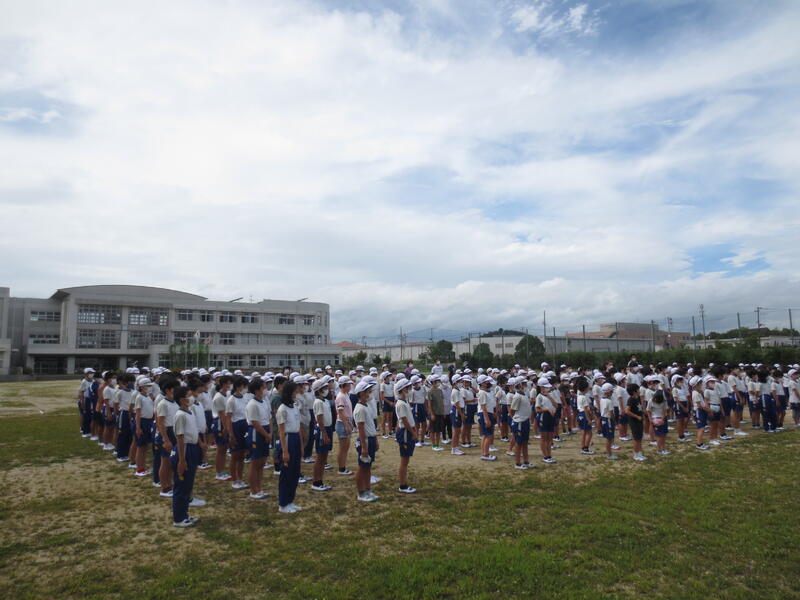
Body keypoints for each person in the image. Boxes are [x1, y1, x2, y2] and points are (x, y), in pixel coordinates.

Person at [171, 386, 202, 527]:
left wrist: (200, 443)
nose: (192, 397)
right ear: (182, 399)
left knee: (188, 484)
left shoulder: (189, 412)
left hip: (192, 448)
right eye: (189, 395)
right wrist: (182, 460)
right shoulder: (180, 415)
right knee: (181, 484)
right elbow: (180, 437)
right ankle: (179, 518)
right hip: (184, 450)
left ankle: (185, 514)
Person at [276, 380, 303, 513]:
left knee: (295, 472)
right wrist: (285, 451)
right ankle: (283, 503)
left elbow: (298, 427)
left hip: (296, 438)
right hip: (288, 439)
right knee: (286, 473)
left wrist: (301, 445)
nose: (297, 392)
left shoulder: (295, 406)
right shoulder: (282, 409)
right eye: (294, 390)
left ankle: (290, 501)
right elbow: (281, 431)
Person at [245, 378, 272, 500]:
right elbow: (255, 423)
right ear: (256, 390)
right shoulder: (252, 404)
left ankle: (259, 488)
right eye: (263, 387)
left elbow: (269, 418)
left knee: (262, 462)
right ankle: (253, 490)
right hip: (257, 433)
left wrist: (270, 433)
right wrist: (266, 435)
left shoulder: (264, 401)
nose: (265, 389)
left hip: (265, 431)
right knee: (255, 462)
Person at [353, 380, 379, 502]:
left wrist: (376, 439)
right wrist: (364, 447)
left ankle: (368, 489)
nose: (370, 394)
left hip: (371, 439)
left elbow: (371, 426)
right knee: (362, 467)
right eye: (368, 391)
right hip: (365, 441)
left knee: (368, 467)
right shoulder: (360, 409)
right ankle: (361, 492)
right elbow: (361, 429)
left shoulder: (366, 406)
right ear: (361, 393)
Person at [155, 377, 180, 497]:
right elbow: (160, 423)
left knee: (171, 461)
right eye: (175, 388)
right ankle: (164, 487)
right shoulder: (163, 403)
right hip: (167, 432)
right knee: (165, 461)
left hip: (174, 431)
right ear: (168, 390)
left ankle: (170, 483)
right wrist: (166, 439)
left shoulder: (175, 402)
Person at [225, 376, 250, 490]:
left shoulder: (244, 398)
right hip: (236, 427)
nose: (246, 388)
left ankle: (240, 478)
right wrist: (231, 434)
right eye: (244, 386)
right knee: (235, 455)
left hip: (244, 426)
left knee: (242, 455)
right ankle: (234, 480)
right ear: (239, 387)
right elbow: (228, 418)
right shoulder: (231, 400)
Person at [311, 377, 335, 492]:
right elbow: (319, 419)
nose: (326, 389)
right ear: (318, 390)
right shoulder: (318, 402)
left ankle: (320, 480)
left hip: (327, 428)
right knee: (320, 457)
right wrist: (324, 433)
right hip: (323, 430)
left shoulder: (325, 401)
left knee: (324, 456)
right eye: (324, 388)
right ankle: (316, 481)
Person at [393, 378, 417, 493]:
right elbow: (404, 420)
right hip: (406, 432)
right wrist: (413, 433)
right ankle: (403, 485)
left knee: (406, 460)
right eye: (407, 387)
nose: (409, 389)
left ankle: (404, 483)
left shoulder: (404, 401)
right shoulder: (401, 404)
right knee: (404, 460)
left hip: (407, 431)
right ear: (402, 389)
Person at [211, 375, 232, 481]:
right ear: (223, 384)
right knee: (221, 448)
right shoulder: (218, 397)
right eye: (228, 383)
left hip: (225, 422)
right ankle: (219, 472)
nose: (230, 385)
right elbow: (222, 414)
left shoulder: (227, 394)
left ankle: (222, 470)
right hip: (220, 423)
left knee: (224, 448)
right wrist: (226, 428)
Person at [509, 377, 532, 469]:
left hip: (525, 421)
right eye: (524, 383)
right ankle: (517, 463)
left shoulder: (524, 394)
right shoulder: (517, 396)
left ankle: (526, 461)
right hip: (519, 422)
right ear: (519, 385)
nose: (526, 385)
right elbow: (512, 410)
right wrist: (514, 419)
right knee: (519, 443)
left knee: (525, 442)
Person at [133, 377, 154, 477]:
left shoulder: (148, 397)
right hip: (142, 422)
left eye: (150, 386)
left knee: (145, 446)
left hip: (149, 422)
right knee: (141, 447)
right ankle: (139, 469)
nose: (149, 387)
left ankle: (143, 467)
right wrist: (138, 427)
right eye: (147, 386)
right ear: (141, 387)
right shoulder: (139, 397)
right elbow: (137, 413)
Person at [334, 375, 354, 476]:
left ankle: (343, 466)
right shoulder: (341, 396)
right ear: (343, 385)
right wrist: (346, 425)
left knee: (346, 447)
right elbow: (340, 412)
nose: (350, 387)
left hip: (346, 422)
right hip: (342, 423)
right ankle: (341, 468)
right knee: (343, 447)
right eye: (348, 385)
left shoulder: (345, 394)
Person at [535, 377, 557, 464]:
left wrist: (549, 396)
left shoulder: (549, 395)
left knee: (549, 438)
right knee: (544, 438)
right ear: (541, 387)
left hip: (550, 417)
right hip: (543, 417)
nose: (548, 388)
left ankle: (549, 455)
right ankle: (545, 456)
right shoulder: (539, 397)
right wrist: (547, 409)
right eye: (545, 387)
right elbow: (537, 409)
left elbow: (556, 405)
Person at [477, 375, 497, 461]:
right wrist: (487, 419)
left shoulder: (487, 392)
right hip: (485, 414)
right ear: (482, 383)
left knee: (485, 435)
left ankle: (484, 453)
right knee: (488, 435)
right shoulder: (482, 393)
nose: (488, 383)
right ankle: (486, 454)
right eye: (486, 382)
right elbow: (483, 407)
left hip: (488, 413)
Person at [625, 383, 647, 461]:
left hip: (639, 420)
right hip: (634, 421)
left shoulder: (637, 398)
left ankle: (640, 453)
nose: (639, 391)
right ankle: (636, 454)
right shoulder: (631, 399)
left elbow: (640, 408)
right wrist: (637, 416)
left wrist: (643, 414)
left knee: (639, 438)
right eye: (638, 389)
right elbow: (627, 411)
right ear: (634, 391)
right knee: (636, 438)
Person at [646, 389, 670, 456]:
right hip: (656, 419)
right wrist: (650, 419)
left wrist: (662, 419)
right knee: (659, 435)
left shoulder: (664, 401)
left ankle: (663, 448)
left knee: (663, 435)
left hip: (662, 419)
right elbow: (648, 410)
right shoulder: (651, 401)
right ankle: (660, 449)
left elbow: (665, 410)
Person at [426, 375, 446, 451]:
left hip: (440, 413)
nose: (438, 382)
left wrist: (443, 412)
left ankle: (437, 444)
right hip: (434, 413)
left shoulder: (440, 390)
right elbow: (429, 404)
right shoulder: (430, 391)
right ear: (433, 382)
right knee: (432, 430)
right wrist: (432, 414)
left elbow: (442, 402)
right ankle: (434, 445)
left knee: (438, 430)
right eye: (437, 381)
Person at [690, 376, 710, 450]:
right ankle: (699, 444)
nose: (701, 385)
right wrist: (708, 410)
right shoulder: (695, 393)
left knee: (702, 428)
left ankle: (701, 443)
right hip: (699, 411)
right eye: (700, 384)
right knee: (701, 428)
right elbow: (699, 405)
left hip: (701, 411)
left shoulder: (698, 392)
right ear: (696, 385)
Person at [599, 382, 618, 459]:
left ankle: (609, 452)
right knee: (609, 438)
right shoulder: (609, 401)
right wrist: (614, 421)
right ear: (608, 392)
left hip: (603, 419)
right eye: (611, 391)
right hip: (608, 420)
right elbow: (611, 413)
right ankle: (609, 454)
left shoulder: (601, 399)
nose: (612, 392)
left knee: (608, 437)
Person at [576, 377, 594, 455]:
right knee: (589, 433)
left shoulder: (579, 396)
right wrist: (589, 419)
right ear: (586, 389)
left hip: (580, 414)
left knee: (583, 432)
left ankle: (583, 447)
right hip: (584, 414)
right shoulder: (584, 397)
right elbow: (586, 409)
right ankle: (586, 449)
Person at [450, 375, 466, 456]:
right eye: (459, 381)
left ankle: (456, 447)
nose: (461, 382)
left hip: (458, 411)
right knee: (456, 431)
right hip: (456, 411)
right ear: (455, 382)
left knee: (458, 431)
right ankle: (454, 448)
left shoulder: (457, 390)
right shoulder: (455, 391)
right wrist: (461, 414)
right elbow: (457, 404)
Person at [379, 371, 395, 438]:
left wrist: (393, 401)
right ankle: (383, 432)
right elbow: (382, 396)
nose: (389, 377)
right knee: (384, 417)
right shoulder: (382, 385)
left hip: (391, 399)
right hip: (386, 401)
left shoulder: (391, 384)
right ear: (385, 378)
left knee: (390, 417)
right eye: (388, 376)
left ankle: (390, 432)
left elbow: (393, 393)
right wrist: (389, 402)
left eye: (389, 376)